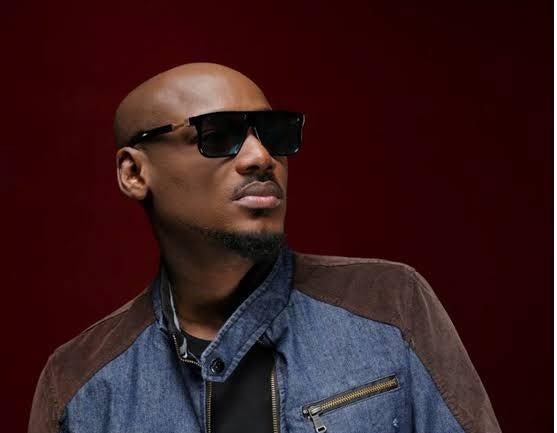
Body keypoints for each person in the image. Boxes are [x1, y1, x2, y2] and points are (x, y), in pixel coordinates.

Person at [28, 63, 501, 433]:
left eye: (274, 134)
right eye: (218, 135)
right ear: (134, 173)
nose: (261, 157)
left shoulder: (391, 305)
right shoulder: (80, 385)